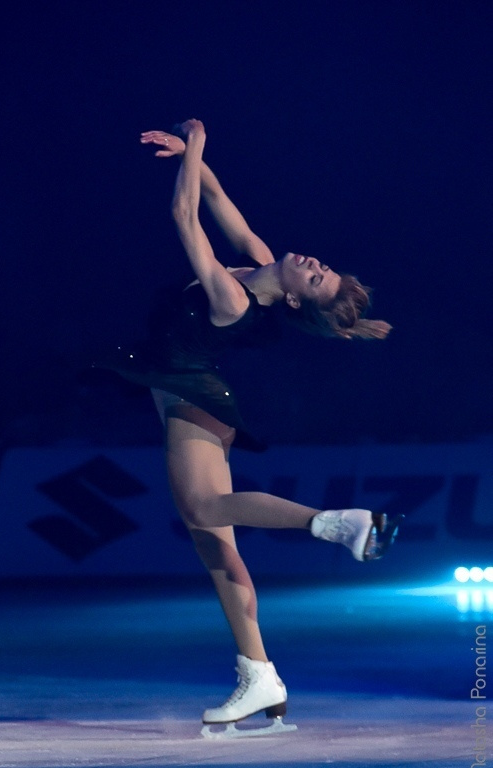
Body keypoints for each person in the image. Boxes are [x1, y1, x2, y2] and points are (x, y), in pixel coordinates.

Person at [92, 119, 402, 736]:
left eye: (315, 278)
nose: (313, 262)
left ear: (293, 300)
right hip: (183, 387)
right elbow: (211, 198)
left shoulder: (234, 301)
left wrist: (197, 134)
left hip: (192, 394)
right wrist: (192, 156)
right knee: (213, 540)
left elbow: (184, 217)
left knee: (206, 507)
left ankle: (334, 523)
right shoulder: (258, 263)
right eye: (321, 266)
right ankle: (258, 673)